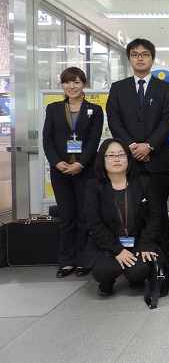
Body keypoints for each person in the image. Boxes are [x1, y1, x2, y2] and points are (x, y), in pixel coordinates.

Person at [106, 38, 169, 251]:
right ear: (129, 59)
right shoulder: (118, 88)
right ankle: (131, 253)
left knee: (158, 208)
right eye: (135, 54)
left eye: (145, 54)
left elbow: (167, 121)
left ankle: (161, 253)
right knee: (129, 207)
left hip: (157, 160)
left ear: (152, 59)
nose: (140, 58)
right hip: (128, 161)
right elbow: (114, 120)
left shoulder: (165, 88)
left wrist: (149, 146)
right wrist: (132, 146)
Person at [42, 67, 103, 278]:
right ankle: (66, 261)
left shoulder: (94, 110)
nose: (72, 86)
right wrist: (57, 162)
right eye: (67, 82)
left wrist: (81, 163)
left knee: (85, 217)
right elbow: (47, 139)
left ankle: (83, 260)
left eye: (76, 82)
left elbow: (94, 140)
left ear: (84, 84)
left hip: (85, 170)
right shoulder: (53, 109)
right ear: (62, 85)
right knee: (67, 217)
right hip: (60, 171)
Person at [84, 138, 163, 297]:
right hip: (108, 244)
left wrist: (145, 244)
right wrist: (118, 250)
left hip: (137, 241)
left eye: (121, 155)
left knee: (139, 271)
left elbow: (155, 215)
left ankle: (134, 277)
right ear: (102, 159)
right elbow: (94, 223)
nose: (117, 159)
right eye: (111, 155)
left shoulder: (143, 182)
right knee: (104, 271)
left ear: (128, 158)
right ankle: (108, 281)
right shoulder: (94, 186)